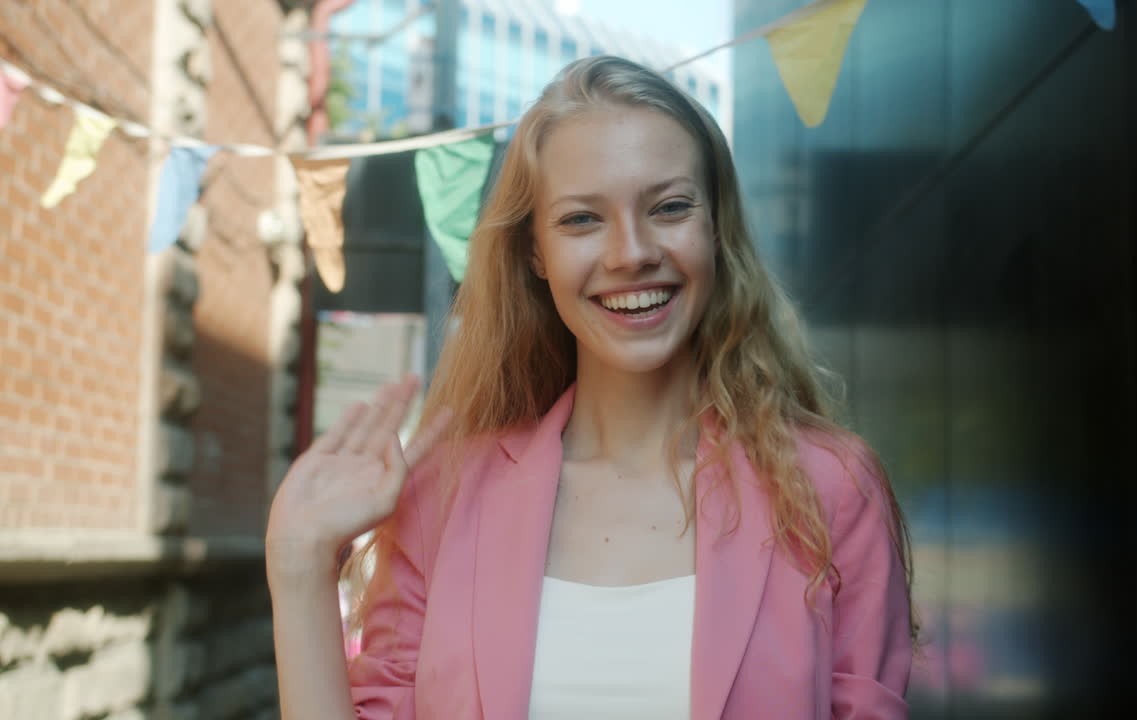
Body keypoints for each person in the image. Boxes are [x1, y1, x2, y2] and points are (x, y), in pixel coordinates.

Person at [266, 56, 917, 720]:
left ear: (715, 228)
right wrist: (299, 568)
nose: (631, 252)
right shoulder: (444, 491)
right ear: (536, 253)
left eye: (669, 207)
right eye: (582, 220)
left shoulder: (830, 487)